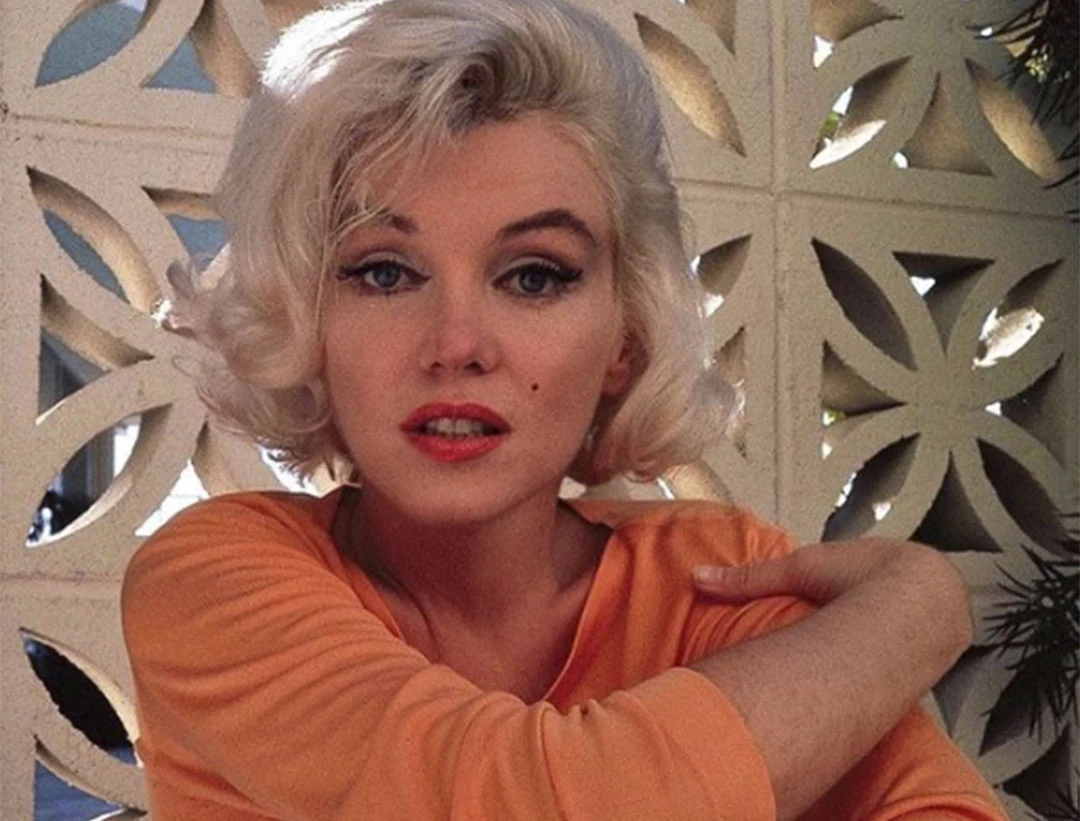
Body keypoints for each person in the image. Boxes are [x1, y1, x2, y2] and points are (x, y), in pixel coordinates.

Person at [121, 1, 1007, 819]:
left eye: (534, 276)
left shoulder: (718, 574)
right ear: (305, 320)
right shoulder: (208, 582)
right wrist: (918, 607)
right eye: (384, 272)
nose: (457, 344)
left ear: (625, 333)